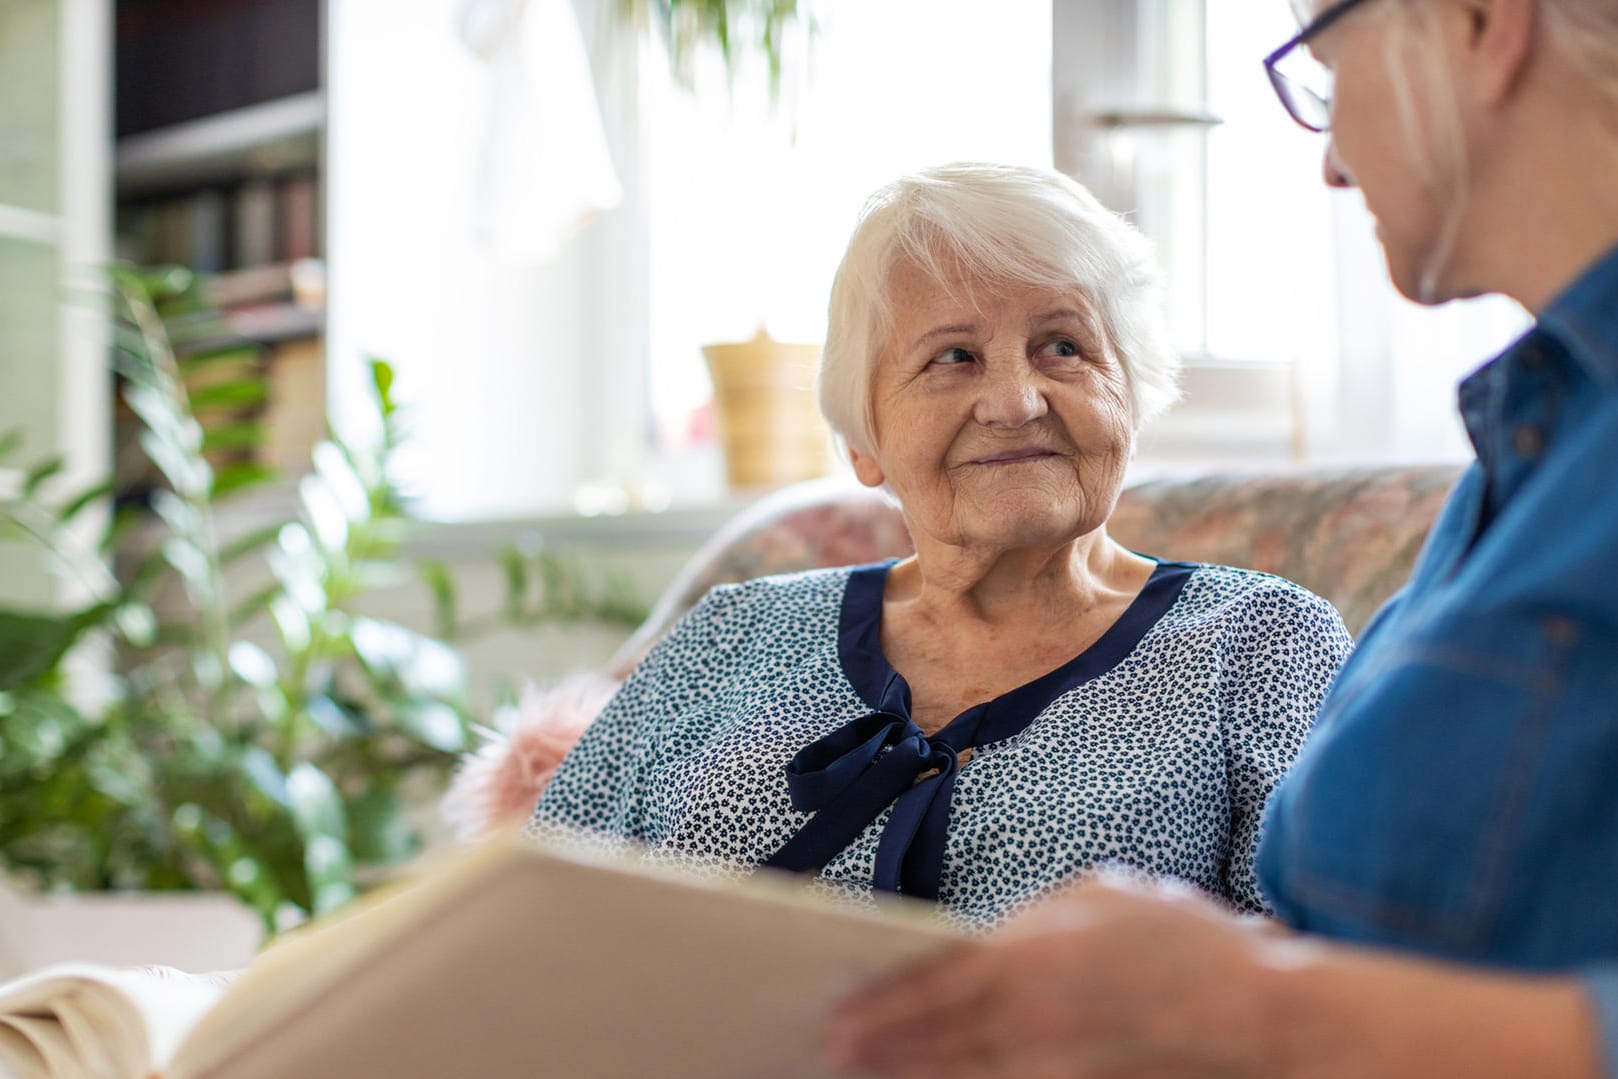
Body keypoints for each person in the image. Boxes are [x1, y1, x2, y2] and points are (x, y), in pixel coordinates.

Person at [827, 0, 1618, 1074]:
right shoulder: (1528, 451)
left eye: (1328, 76)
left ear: (1481, 24)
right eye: (949, 358)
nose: (1333, 164)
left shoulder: (1256, 633)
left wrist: (1266, 1011)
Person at [527, 163, 1353, 929]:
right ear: (864, 440)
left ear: (1131, 398)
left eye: (1063, 347)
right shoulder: (732, 634)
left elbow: (1333, 979)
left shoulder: (1260, 642)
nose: (1016, 399)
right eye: (952, 357)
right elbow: (536, 921)